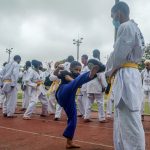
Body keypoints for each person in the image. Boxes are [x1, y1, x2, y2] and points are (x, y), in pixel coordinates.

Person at [106, 2, 145, 150]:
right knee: (123, 120)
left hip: (126, 74)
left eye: (112, 16)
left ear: (119, 13)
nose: (113, 20)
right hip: (129, 74)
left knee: (129, 122)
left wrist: (107, 73)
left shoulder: (126, 26)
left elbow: (118, 55)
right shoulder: (135, 27)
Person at [54, 59, 105, 149]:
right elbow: (58, 75)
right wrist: (58, 68)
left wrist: (79, 80)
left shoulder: (78, 77)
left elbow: (78, 82)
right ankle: (90, 74)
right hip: (63, 91)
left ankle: (69, 142)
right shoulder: (66, 72)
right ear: (71, 69)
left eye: (79, 70)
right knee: (76, 82)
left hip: (70, 98)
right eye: (76, 70)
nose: (78, 71)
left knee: (73, 119)